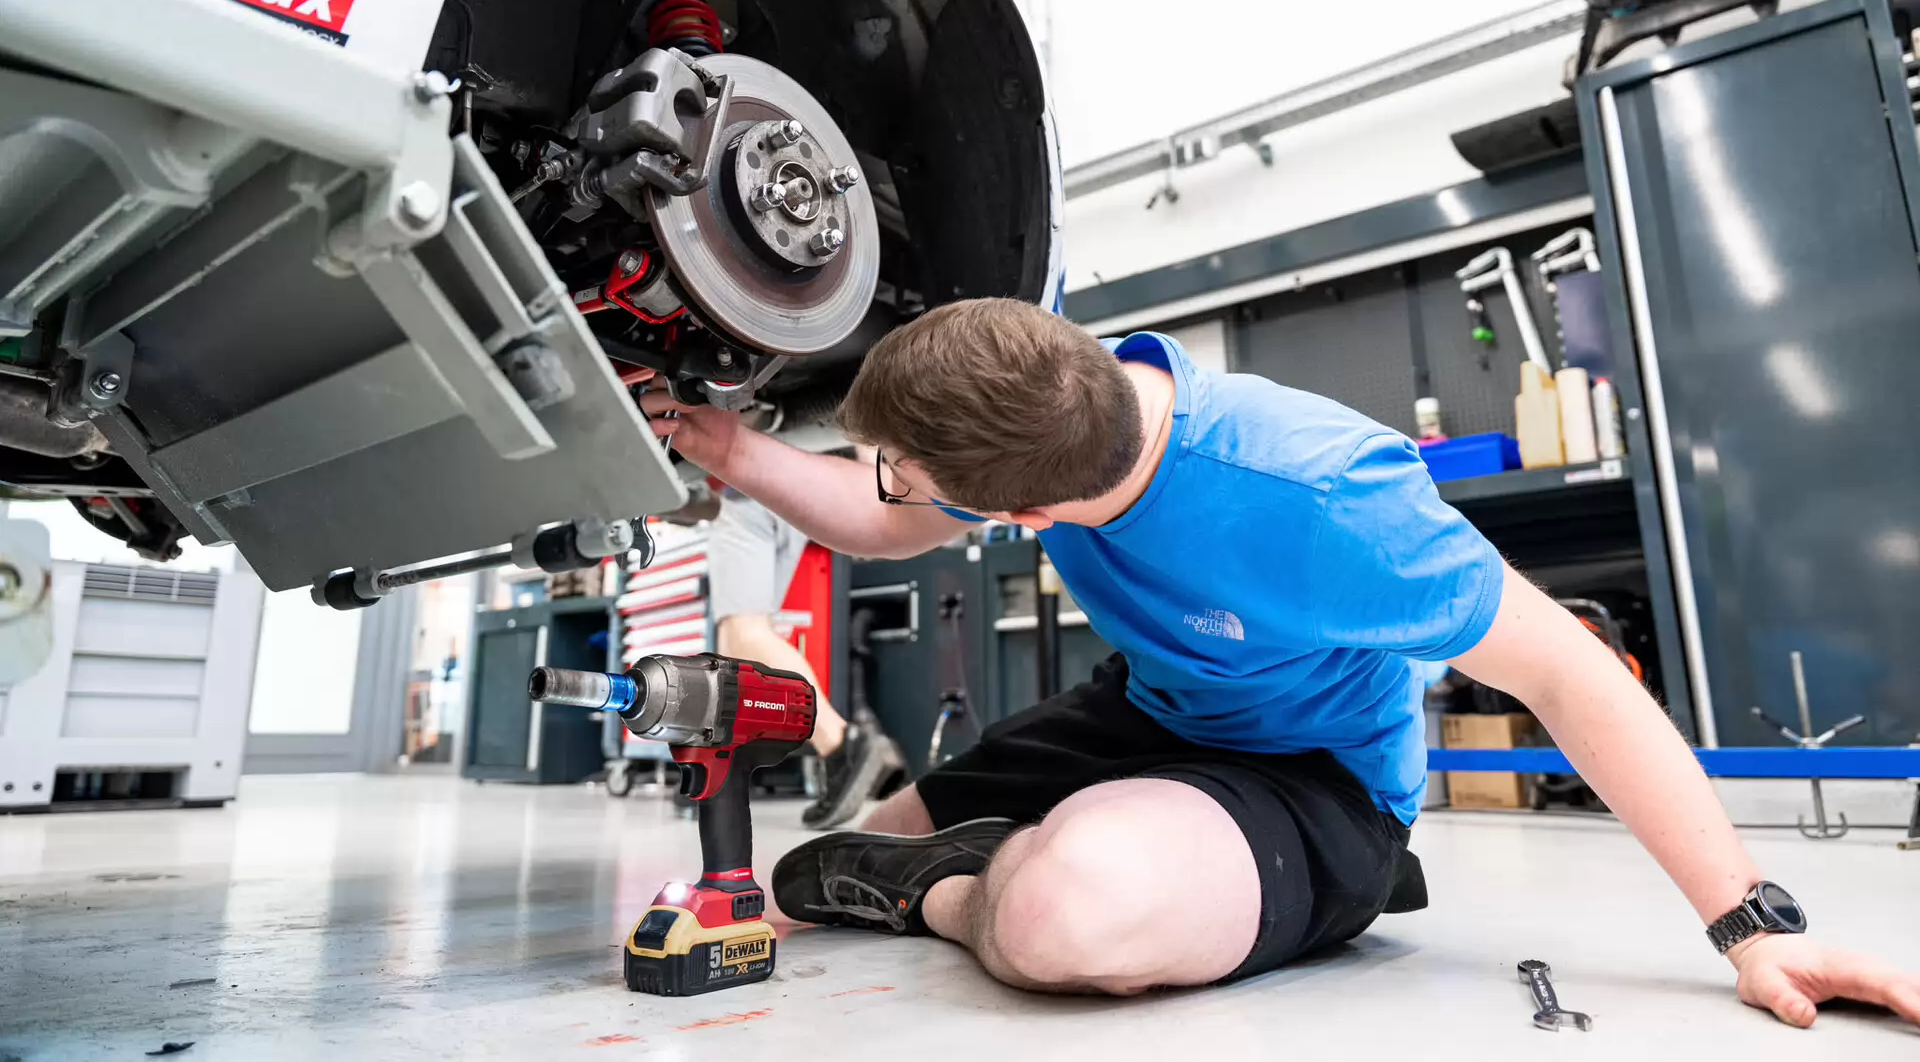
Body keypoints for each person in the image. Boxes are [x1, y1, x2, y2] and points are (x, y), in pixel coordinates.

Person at [641, 299, 1920, 1022]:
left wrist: (1752, 925)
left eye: (904, 470)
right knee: (808, 877)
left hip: (1318, 779)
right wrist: (722, 446)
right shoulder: (1057, 400)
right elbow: (880, 519)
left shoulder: (1322, 500)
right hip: (1151, 711)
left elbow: (1572, 676)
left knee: (1055, 917)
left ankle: (956, 884)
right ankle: (968, 841)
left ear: (1025, 518)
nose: (888, 487)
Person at [707, 482, 903, 827]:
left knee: (744, 631)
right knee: (733, 649)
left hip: (748, 487)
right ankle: (724, 774)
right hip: (787, 491)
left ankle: (840, 742)